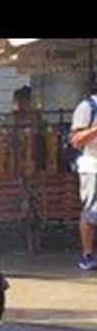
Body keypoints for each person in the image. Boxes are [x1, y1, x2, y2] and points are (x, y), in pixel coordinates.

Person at [69, 87, 97, 270]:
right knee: (92, 211)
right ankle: (87, 254)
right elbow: (76, 140)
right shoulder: (88, 106)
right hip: (93, 166)